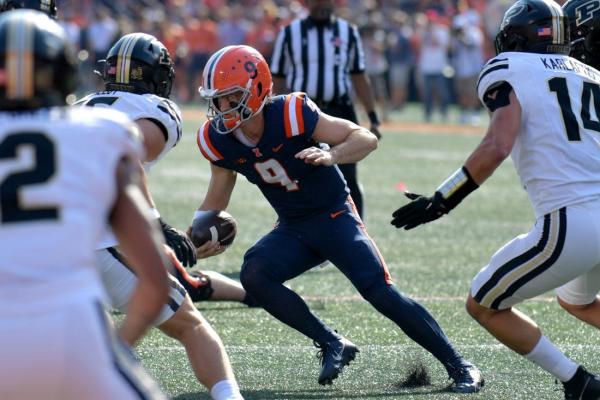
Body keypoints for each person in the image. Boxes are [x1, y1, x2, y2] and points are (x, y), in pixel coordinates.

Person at [195, 44, 483, 392]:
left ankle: (460, 365)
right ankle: (332, 342)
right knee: (255, 273)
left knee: (378, 290)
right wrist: (191, 240)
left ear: (257, 90)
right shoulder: (217, 139)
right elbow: (217, 196)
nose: (221, 108)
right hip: (293, 227)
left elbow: (366, 138)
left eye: (230, 97)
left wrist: (332, 155)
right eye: (217, 99)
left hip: (334, 216)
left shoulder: (291, 113)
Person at [391, 1, 600, 398]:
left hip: (573, 220)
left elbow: (497, 145)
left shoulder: (508, 68)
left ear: (515, 35)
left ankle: (578, 383)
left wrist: (443, 199)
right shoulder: (592, 74)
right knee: (578, 301)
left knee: (483, 303)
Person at [0, 10, 168, 399]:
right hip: (70, 329)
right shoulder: (101, 133)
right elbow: (155, 280)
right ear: (62, 74)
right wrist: (116, 349)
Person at [76, 33, 244, 400]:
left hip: (51, 238)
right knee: (191, 326)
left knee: (90, 339)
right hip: (102, 236)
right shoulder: (155, 109)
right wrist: (155, 224)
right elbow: (120, 154)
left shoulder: (80, 105)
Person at [269, 0, 381, 219]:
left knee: (347, 174)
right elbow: (278, 77)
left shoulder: (348, 32)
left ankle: (356, 230)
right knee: (299, 174)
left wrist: (372, 117)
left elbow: (359, 76)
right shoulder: (290, 32)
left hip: (338, 110)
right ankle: (300, 228)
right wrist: (273, 115)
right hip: (300, 115)